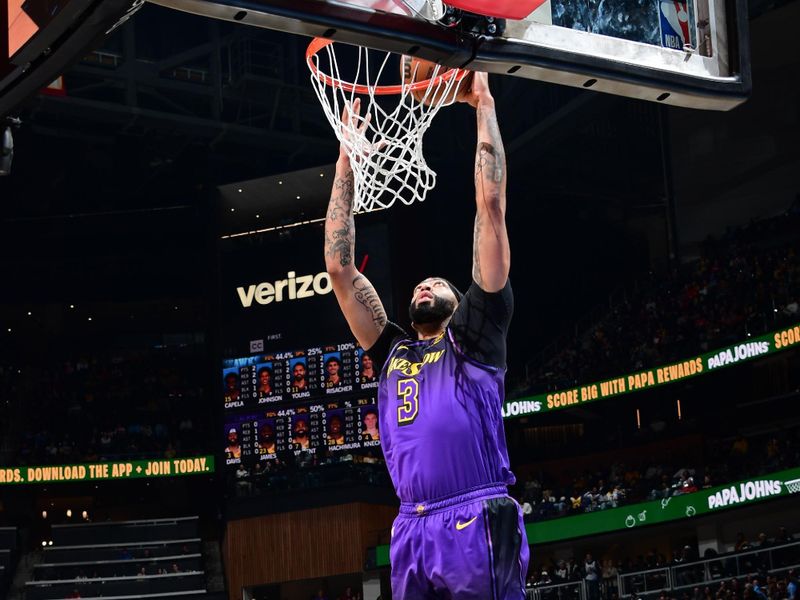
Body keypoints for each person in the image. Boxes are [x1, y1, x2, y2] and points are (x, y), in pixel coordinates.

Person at [323, 73, 528, 599]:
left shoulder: (474, 339)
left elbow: (491, 208)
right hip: (411, 527)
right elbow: (339, 268)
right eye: (420, 282)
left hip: (475, 510)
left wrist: (483, 103)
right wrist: (347, 159)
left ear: (461, 303)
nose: (426, 284)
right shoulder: (393, 351)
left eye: (439, 282)